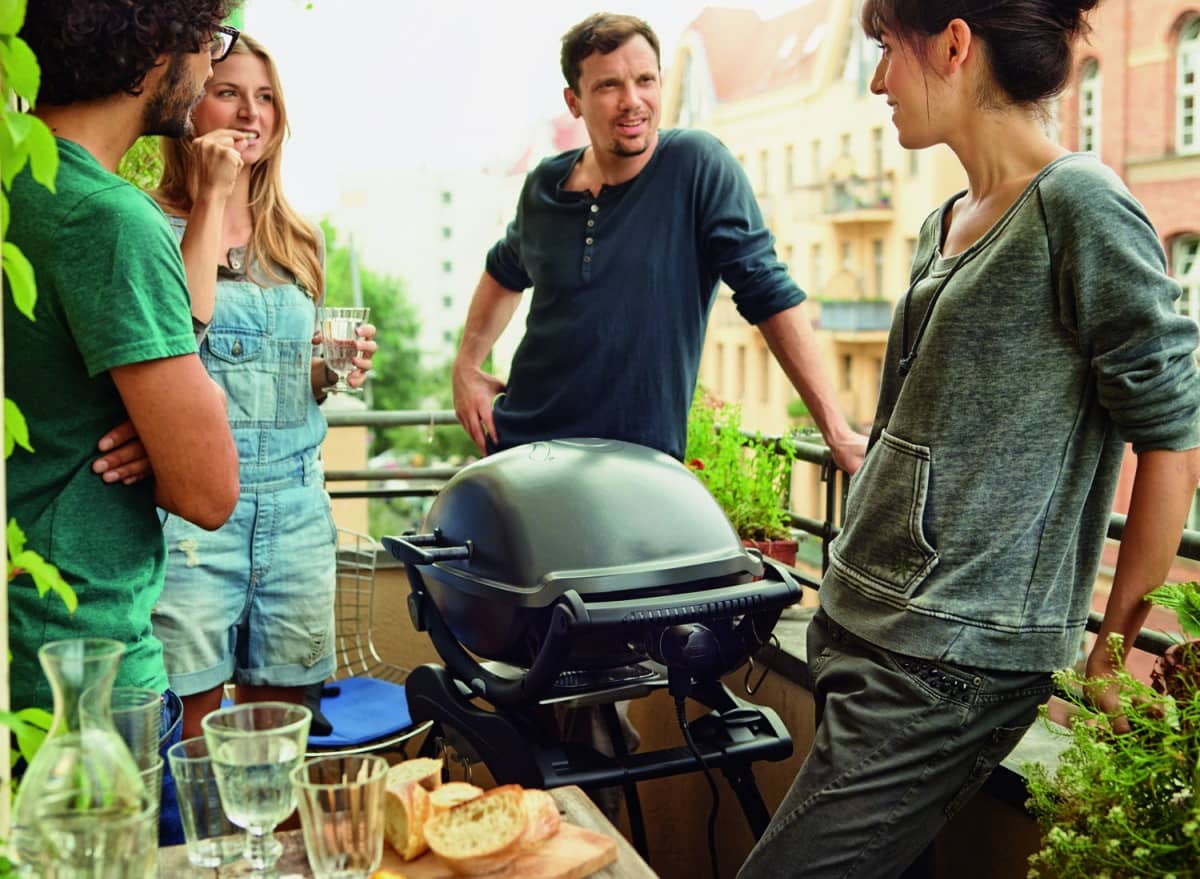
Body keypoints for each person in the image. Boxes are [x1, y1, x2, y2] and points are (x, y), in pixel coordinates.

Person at [737, 2, 1200, 877]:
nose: (879, 80)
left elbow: (1174, 440)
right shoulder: (945, 218)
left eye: (888, 51)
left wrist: (1111, 652)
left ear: (955, 44)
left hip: (948, 663)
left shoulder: (1082, 205)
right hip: (860, 623)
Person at [453, 12, 866, 474]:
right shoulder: (545, 185)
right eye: (608, 86)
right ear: (574, 101)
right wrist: (466, 366)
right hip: (522, 449)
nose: (632, 101)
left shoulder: (697, 166)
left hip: (636, 466)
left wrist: (837, 431)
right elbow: (503, 271)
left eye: (645, 80)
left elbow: (768, 292)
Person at [6, 0, 239, 716]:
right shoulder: (109, 219)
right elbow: (208, 492)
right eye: (209, 40)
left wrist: (160, 424)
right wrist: (192, 412)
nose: (210, 68)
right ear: (155, 44)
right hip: (85, 667)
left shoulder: (20, 185)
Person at [148, 33, 378, 740]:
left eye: (266, 98)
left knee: (280, 736)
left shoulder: (299, 238)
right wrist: (212, 196)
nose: (251, 113)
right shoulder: (150, 223)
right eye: (229, 93)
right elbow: (174, 341)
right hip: (194, 519)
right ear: (191, 105)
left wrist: (331, 368)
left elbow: (292, 378)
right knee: (188, 735)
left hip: (297, 511)